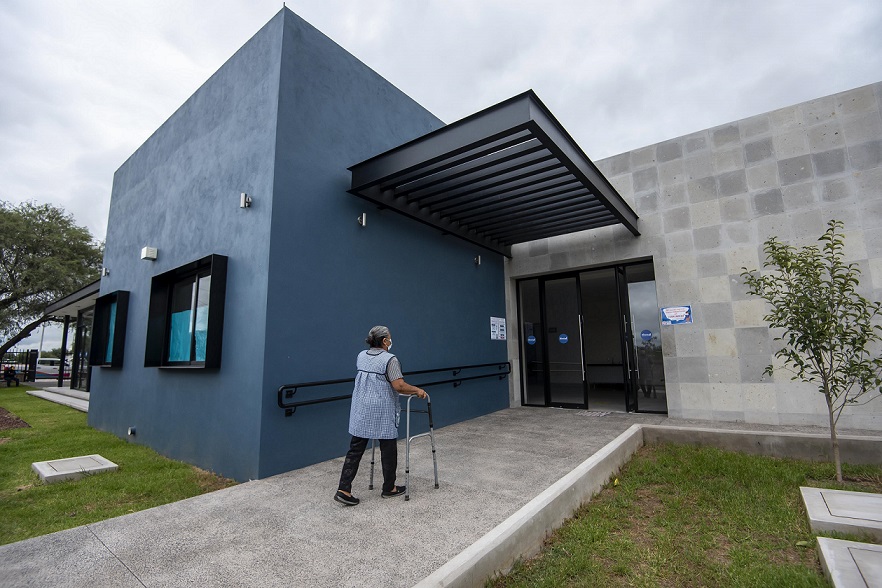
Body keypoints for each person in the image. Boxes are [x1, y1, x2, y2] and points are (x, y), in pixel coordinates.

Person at [335, 326, 427, 506]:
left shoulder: (361, 356)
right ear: (384, 341)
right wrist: (417, 390)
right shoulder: (390, 360)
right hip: (381, 409)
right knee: (388, 448)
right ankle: (389, 488)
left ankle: (344, 488)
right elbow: (399, 386)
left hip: (361, 408)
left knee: (355, 449)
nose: (391, 341)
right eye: (390, 338)